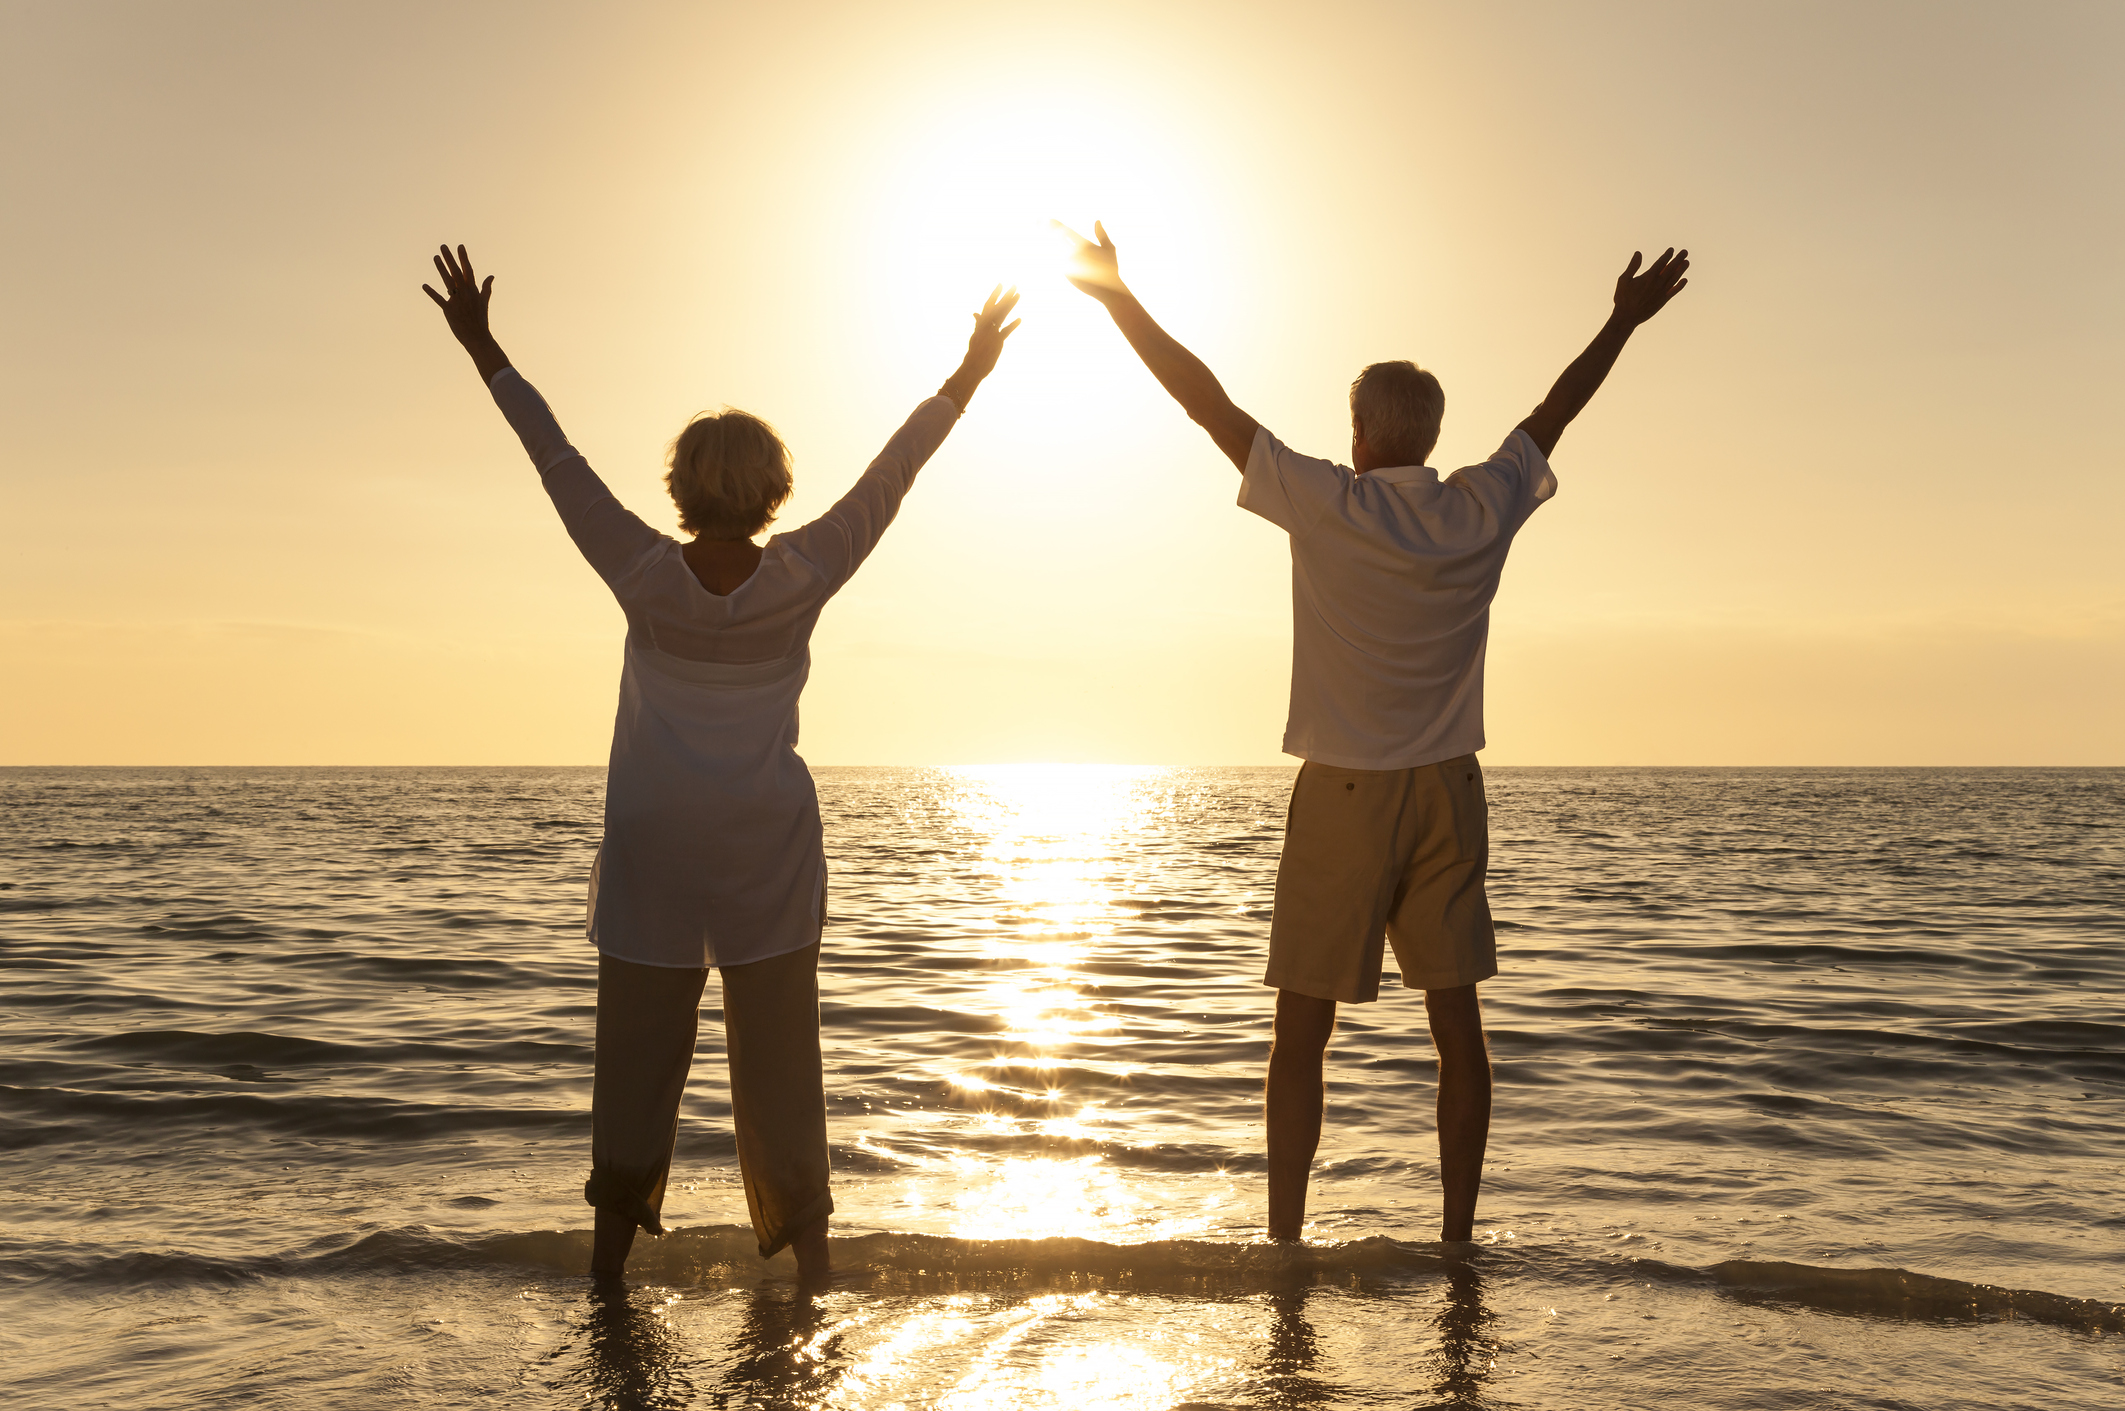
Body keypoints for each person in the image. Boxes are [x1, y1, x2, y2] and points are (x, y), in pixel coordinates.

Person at [1058, 222, 1688, 1241]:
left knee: (1300, 1033)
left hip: (1343, 793)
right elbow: (1554, 410)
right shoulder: (1479, 506)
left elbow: (1203, 403)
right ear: (1430, 436)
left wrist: (1117, 298)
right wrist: (1620, 321)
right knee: (1456, 1031)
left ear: (1358, 435)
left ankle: (1284, 1239)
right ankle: (1454, 1242)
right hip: (1446, 788)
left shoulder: (1327, 502)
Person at [422, 244, 1020, 1280]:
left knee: (635, 1071)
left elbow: (552, 454)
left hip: (655, 848)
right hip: (764, 852)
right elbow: (896, 469)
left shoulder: (643, 569)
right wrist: (967, 373)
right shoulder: (804, 570)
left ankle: (610, 1271)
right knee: (782, 1068)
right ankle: (811, 1276)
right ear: (774, 488)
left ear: (683, 486)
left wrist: (484, 348)